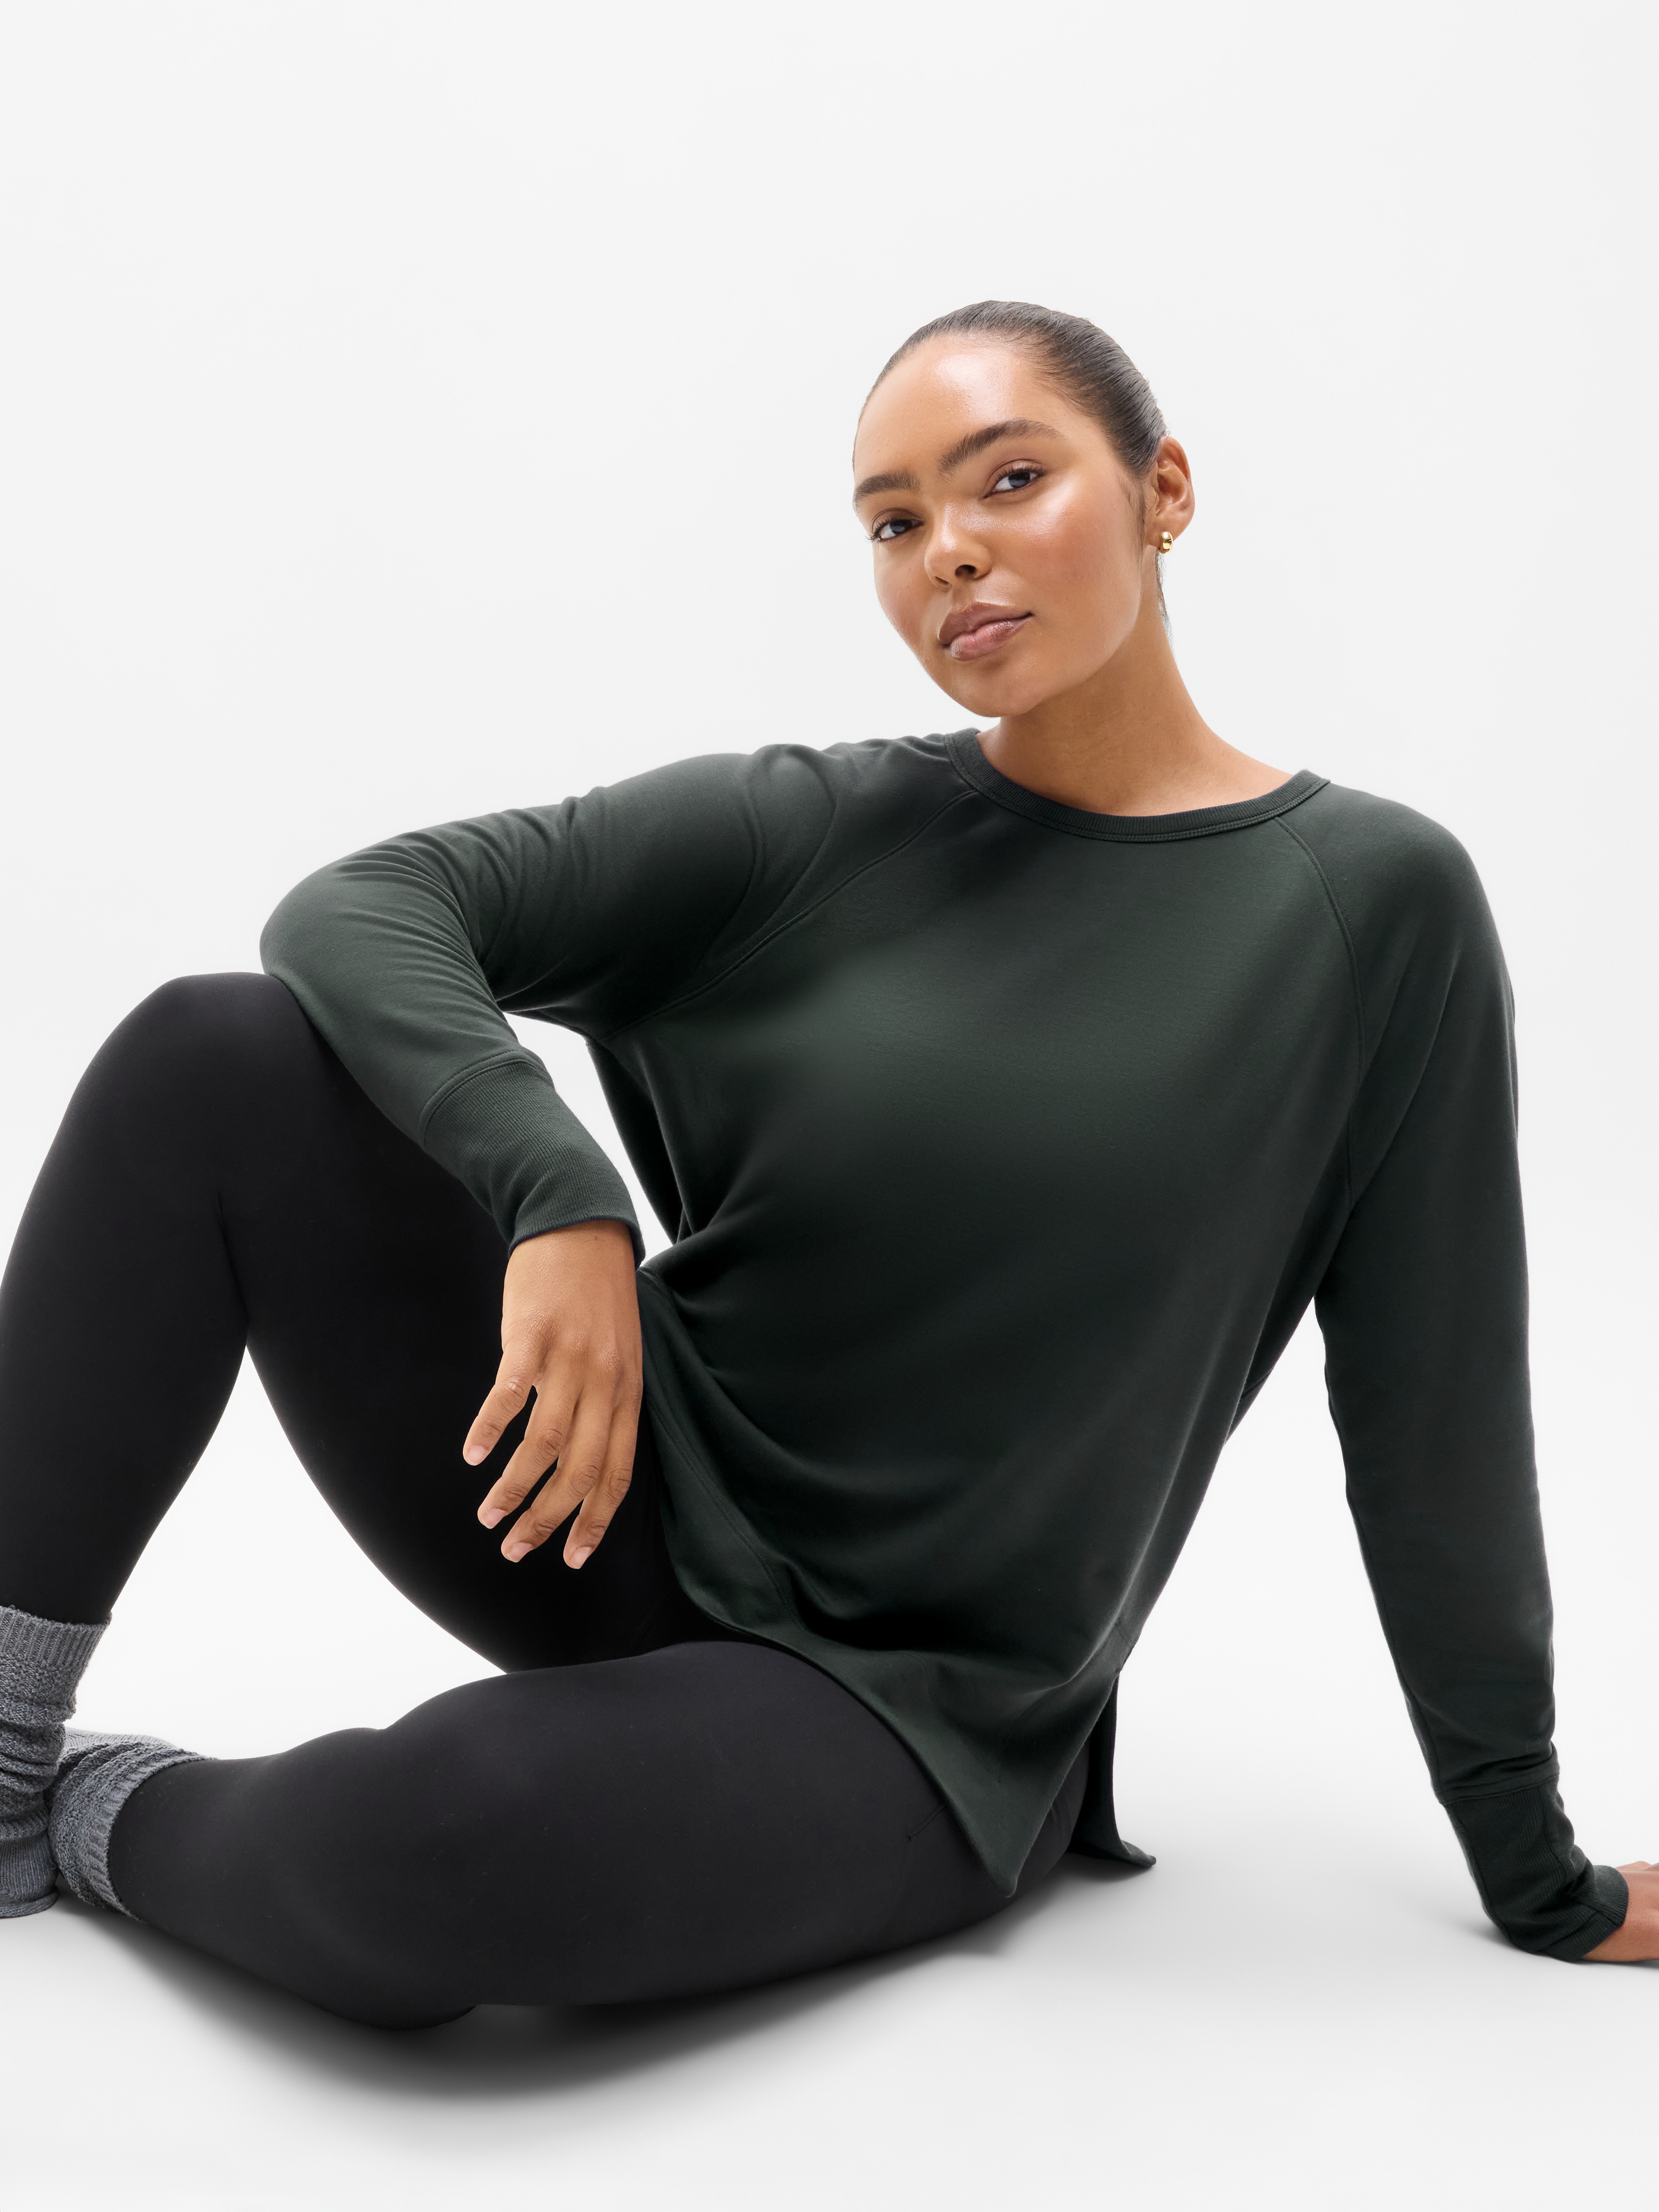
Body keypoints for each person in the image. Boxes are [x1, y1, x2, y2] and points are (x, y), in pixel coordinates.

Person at [0, 301, 1650, 2028]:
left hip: (911, 1713)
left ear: (1163, 490)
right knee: (216, 1052)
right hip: (598, 1498)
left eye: (1009, 480)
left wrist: (1534, 1863)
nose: (951, 552)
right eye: (894, 520)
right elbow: (361, 906)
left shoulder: (1372, 906)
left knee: (448, 1842)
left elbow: (1436, 1409)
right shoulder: (817, 826)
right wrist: (556, 1190)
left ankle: (98, 1810)